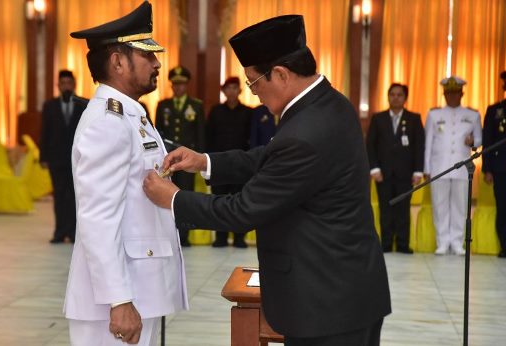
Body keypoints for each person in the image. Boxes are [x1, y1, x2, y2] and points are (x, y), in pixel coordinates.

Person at [143, 15, 390, 345]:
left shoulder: (306, 131)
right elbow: (267, 157)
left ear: (282, 75)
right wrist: (204, 161)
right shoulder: (326, 104)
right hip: (343, 290)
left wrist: (172, 199)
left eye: (254, 83)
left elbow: (242, 211)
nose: (254, 94)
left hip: (327, 302)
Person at [64, 3, 188, 345]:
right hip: (117, 299)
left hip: (139, 288)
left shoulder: (130, 114)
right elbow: (97, 217)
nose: (157, 63)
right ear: (118, 61)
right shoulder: (108, 122)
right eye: (147, 55)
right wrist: (119, 300)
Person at [424, 76, 482, 256]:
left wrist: (473, 141)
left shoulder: (473, 115)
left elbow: (479, 139)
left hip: (463, 168)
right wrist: (427, 168)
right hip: (439, 166)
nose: (451, 97)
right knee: (439, 205)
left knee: (460, 205)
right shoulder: (434, 114)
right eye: (448, 93)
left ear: (462, 94)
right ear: (444, 94)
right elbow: (428, 143)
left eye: (455, 93)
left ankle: (457, 243)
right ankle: (442, 242)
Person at [367, 83, 424, 254]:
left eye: (399, 95)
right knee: (385, 209)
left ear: (405, 98)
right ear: (388, 96)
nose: (395, 97)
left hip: (406, 174)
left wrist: (418, 171)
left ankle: (402, 244)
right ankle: (385, 243)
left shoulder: (414, 118)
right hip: (382, 174)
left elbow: (419, 146)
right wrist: (374, 169)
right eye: (392, 94)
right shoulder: (378, 118)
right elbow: (370, 145)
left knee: (403, 209)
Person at [155, 65, 205, 246]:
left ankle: (184, 235)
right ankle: (169, 233)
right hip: (168, 160)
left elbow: (200, 134)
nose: (178, 87)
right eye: (175, 84)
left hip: (188, 160)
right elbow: (158, 133)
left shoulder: (196, 106)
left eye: (182, 84)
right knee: (166, 195)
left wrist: (200, 158)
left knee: (185, 196)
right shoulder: (163, 106)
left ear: (187, 85)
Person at [40, 70, 88, 244]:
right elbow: (44, 132)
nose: (66, 86)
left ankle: (75, 232)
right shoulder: (49, 106)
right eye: (63, 83)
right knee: (59, 195)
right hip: (57, 159)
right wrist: (43, 157)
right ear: (58, 85)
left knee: (76, 196)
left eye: (69, 83)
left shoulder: (83, 104)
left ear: (74, 84)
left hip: (78, 159)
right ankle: (60, 232)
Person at [206, 77, 252, 248]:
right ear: (223, 91)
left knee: (240, 201)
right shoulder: (216, 111)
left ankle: (239, 238)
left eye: (235, 88)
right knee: (219, 201)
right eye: (228, 88)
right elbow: (208, 138)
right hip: (218, 164)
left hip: (241, 165)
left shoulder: (248, 112)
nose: (232, 91)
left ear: (240, 91)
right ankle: (221, 238)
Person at [482, 70, 506, 258]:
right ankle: (505, 246)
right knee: (503, 208)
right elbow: (488, 141)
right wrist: (487, 168)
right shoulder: (495, 110)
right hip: (501, 168)